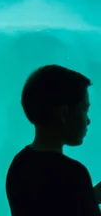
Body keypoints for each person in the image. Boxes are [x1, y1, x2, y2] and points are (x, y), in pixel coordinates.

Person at [6, 65, 101, 215]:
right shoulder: (74, 174)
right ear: (63, 114)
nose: (88, 120)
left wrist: (90, 196)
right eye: (84, 109)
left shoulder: (19, 163)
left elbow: (51, 205)